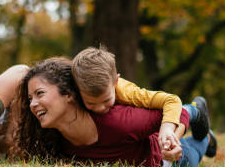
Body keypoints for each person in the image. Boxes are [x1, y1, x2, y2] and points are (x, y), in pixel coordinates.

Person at [1, 58, 215, 167]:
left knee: (195, 148)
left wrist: (171, 139)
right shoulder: (54, 140)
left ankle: (198, 115)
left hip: (167, 159)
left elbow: (171, 111)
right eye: (30, 99)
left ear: (68, 94)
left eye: (39, 94)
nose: (33, 104)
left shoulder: (119, 121)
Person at [72, 47, 211, 149]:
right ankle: (209, 140)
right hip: (139, 138)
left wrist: (167, 129)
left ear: (116, 82)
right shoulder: (76, 94)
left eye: (106, 100)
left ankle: (195, 109)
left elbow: (171, 100)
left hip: (158, 124)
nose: (99, 108)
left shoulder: (127, 92)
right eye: (90, 103)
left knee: (184, 148)